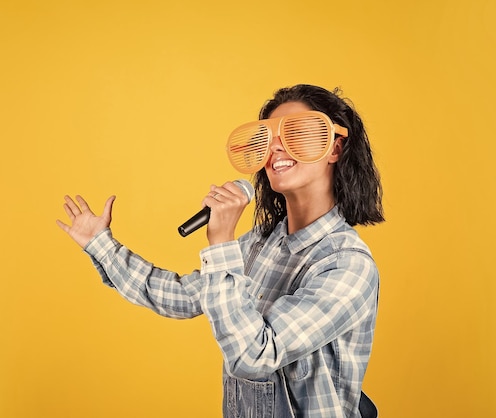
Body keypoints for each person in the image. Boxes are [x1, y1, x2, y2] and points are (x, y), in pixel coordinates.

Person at [57, 84, 384, 418]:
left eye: (297, 132)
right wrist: (101, 244)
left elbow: (254, 356)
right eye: (264, 138)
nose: (276, 147)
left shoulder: (346, 265)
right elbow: (181, 296)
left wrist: (222, 241)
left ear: (335, 148)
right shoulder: (259, 243)